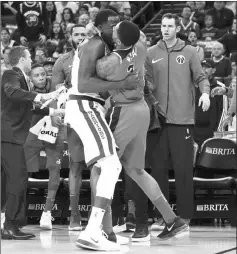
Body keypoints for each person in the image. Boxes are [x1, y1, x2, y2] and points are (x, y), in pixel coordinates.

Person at [92, 21, 191, 243]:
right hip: (142, 111)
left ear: (118, 39)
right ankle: (172, 218)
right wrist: (107, 34)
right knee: (136, 170)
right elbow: (130, 38)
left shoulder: (111, 63)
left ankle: (104, 231)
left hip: (123, 111)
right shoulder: (141, 48)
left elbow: (97, 70)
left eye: (114, 31)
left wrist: (97, 40)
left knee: (102, 168)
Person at [64, 9, 140, 251]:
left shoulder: (103, 46)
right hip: (84, 105)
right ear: (98, 27)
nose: (115, 28)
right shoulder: (94, 44)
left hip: (89, 106)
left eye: (118, 24)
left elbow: (97, 85)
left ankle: (103, 231)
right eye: (111, 24)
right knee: (112, 165)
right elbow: (84, 83)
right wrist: (122, 83)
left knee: (105, 165)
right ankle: (92, 231)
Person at [145, 13, 210, 229]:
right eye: (163, 26)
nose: (166, 29)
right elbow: (145, 83)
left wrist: (205, 93)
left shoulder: (190, 52)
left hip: (182, 121)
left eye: (170, 26)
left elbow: (201, 77)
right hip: (157, 122)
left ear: (176, 28)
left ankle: (185, 216)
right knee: (158, 170)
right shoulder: (151, 53)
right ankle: (162, 216)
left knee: (183, 170)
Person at [1, 46, 64, 240]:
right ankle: (10, 226)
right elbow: (12, 92)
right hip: (9, 137)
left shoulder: (21, 78)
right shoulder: (11, 74)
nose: (31, 60)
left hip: (11, 137)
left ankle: (11, 224)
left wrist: (52, 112)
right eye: (29, 57)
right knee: (18, 179)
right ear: (21, 59)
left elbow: (28, 106)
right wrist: (41, 96)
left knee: (12, 180)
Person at [50, 24, 89, 231]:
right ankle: (75, 215)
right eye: (77, 34)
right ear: (70, 37)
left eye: (84, 34)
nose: (80, 37)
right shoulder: (62, 61)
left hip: (95, 116)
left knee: (99, 166)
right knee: (75, 166)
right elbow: (56, 89)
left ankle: (101, 217)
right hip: (74, 117)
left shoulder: (99, 57)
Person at [23, 64, 65, 230]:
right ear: (31, 79)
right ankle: (8, 211)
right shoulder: (27, 93)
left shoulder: (58, 90)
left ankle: (47, 213)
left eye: (42, 74)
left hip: (54, 132)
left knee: (54, 169)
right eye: (36, 76)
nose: (40, 78)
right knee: (21, 172)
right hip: (33, 133)